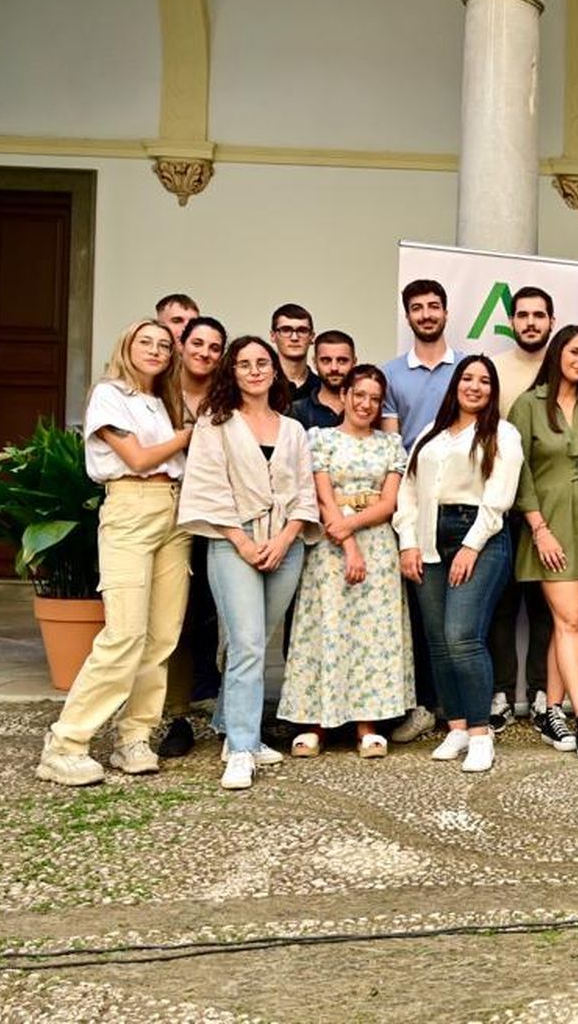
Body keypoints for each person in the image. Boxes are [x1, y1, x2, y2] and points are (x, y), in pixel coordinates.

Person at [35, 321, 193, 787]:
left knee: (162, 636)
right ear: (126, 345)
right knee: (124, 633)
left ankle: (134, 737)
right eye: (146, 341)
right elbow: (140, 459)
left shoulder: (163, 402)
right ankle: (66, 743)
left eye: (164, 345)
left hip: (172, 512)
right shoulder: (110, 394)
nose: (156, 350)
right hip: (130, 508)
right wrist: (189, 436)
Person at [178, 336, 318, 791]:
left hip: (285, 546)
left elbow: (303, 494)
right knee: (247, 644)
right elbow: (208, 488)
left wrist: (284, 539)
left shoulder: (292, 429)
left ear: (275, 371)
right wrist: (242, 541)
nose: (255, 370)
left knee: (256, 641)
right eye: (244, 364)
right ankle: (242, 748)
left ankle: (227, 722)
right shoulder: (215, 423)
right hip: (232, 542)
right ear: (232, 373)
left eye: (263, 363)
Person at [394, 355, 523, 773]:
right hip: (428, 537)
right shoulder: (430, 434)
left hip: (480, 536)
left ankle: (482, 734)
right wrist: (408, 543)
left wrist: (471, 547)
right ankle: (458, 727)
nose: (475, 386)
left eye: (484, 381)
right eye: (467, 378)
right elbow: (409, 492)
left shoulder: (503, 433)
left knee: (461, 636)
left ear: (493, 390)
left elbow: (498, 497)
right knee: (437, 639)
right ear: (456, 385)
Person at [278, 365, 413, 759]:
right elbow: (321, 497)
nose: (366, 404)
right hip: (329, 546)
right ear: (345, 395)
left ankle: (366, 723)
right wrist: (348, 542)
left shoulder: (390, 445)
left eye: (374, 398)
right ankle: (315, 722)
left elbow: (388, 504)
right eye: (359, 395)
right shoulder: (318, 439)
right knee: (327, 628)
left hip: (378, 547)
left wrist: (350, 526)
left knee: (371, 634)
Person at [509, 325, 578, 762]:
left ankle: (552, 710)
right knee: (572, 618)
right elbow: (517, 473)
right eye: (575, 352)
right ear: (558, 354)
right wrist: (538, 529)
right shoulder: (528, 406)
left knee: (568, 624)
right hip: (549, 526)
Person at [380, 279, 458, 743]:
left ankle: (459, 707)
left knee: (461, 615)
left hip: (461, 501)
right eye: (417, 308)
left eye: (434, 306)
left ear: (446, 313)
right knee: (420, 613)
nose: (426, 314)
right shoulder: (391, 374)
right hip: (412, 502)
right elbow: (393, 445)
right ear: (407, 316)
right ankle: (425, 704)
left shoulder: (467, 367)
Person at [487, 285, 557, 731]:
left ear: (551, 320)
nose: (531, 322)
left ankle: (539, 693)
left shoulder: (563, 369)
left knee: (545, 605)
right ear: (511, 321)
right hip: (503, 504)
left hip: (550, 507)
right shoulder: (493, 369)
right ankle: (500, 693)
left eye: (539, 315)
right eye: (523, 315)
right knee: (500, 604)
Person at [158, 314, 227, 758]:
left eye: (214, 347)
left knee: (219, 613)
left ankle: (228, 710)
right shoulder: (156, 394)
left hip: (221, 517)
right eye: (197, 343)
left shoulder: (226, 397)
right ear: (182, 344)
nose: (204, 353)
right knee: (174, 617)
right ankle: (176, 714)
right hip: (172, 514)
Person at [288, 330, 355, 431]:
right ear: (315, 363)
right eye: (326, 360)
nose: (334, 368)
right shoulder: (297, 411)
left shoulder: (365, 408)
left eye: (342, 361)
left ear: (354, 363)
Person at [270, 304, 319, 402]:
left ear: (312, 337)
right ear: (273, 336)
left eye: (302, 330)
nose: (294, 338)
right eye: (286, 330)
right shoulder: (262, 385)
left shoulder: (322, 388)